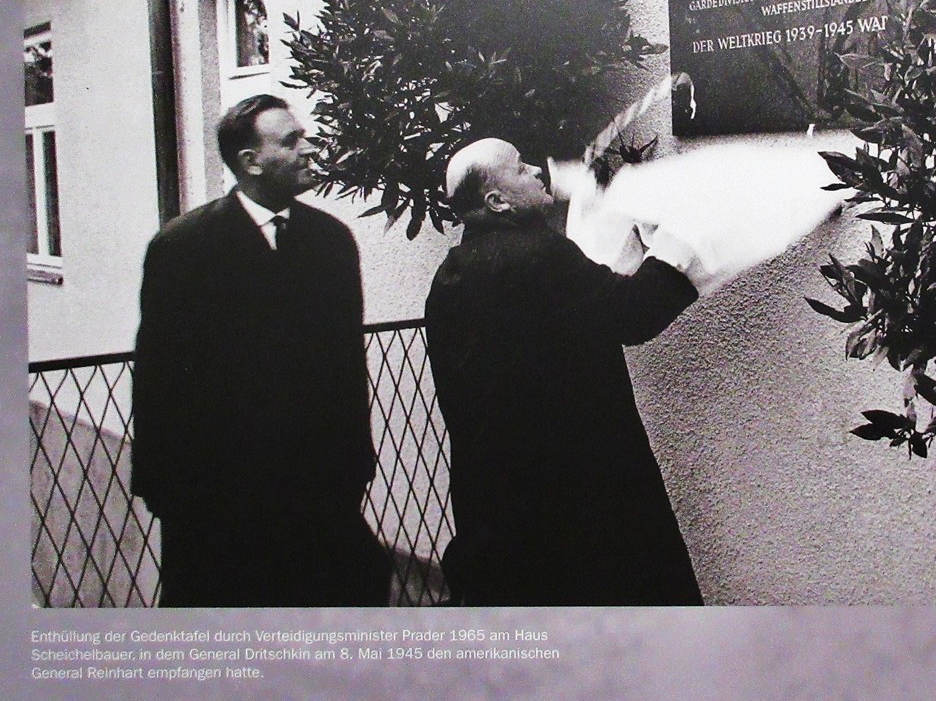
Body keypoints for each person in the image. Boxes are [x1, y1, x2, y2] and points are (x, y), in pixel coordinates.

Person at [131, 95, 390, 607]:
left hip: (316, 493)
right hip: (221, 503)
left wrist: (355, 466)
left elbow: (345, 366)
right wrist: (169, 495)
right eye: (291, 141)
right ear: (250, 162)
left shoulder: (331, 241)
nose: (309, 149)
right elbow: (159, 380)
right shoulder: (183, 247)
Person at [425, 138, 704, 606]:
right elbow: (631, 315)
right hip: (579, 498)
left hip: (502, 508)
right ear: (498, 201)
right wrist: (674, 247)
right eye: (520, 167)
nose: (536, 169)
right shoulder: (537, 254)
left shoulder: (451, 274)